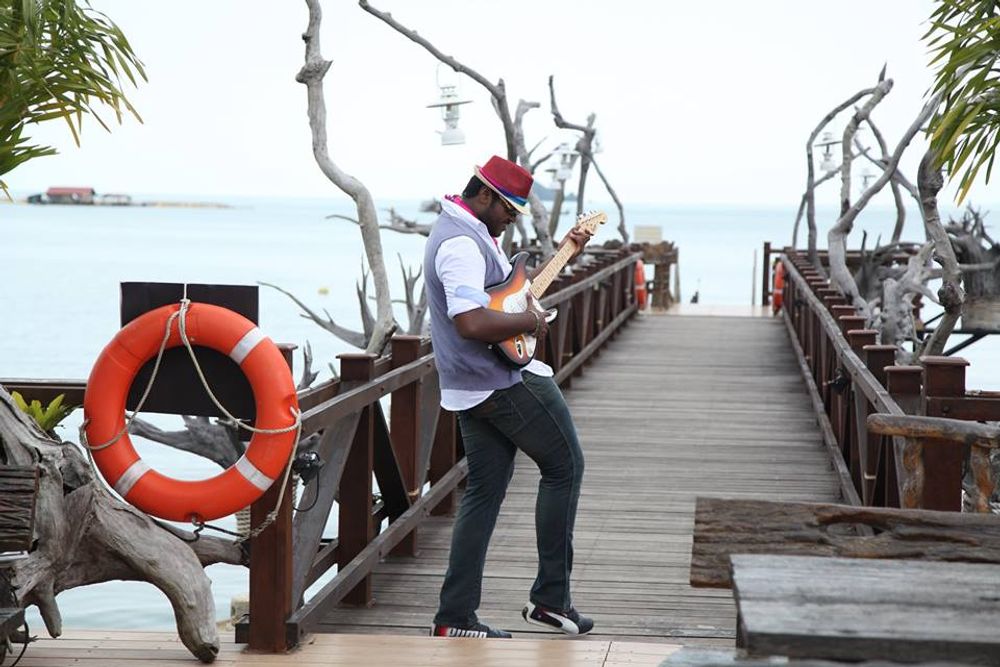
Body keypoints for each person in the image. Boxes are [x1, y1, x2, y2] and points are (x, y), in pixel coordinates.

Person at [424, 155, 594, 639]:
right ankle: (551, 601)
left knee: (483, 493)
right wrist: (530, 322)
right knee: (565, 467)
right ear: (485, 195)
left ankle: (455, 617)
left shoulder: (468, 231)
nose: (511, 220)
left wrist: (566, 251)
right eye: (509, 210)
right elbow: (471, 322)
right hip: (501, 382)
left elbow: (503, 293)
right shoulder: (461, 243)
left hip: (471, 388)